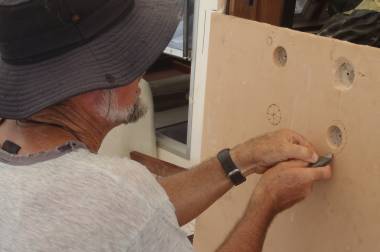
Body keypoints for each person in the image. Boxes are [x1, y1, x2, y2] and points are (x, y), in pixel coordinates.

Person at [0, 0, 332, 251]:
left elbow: (133, 212)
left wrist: (243, 158)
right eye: (133, 60)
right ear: (94, 87)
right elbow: (122, 206)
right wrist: (266, 201)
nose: (142, 72)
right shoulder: (114, 193)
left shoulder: (101, 194)